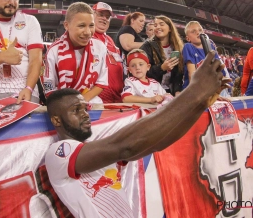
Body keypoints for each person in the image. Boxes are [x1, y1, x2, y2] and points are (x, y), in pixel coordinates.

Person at [45, 51, 231, 218]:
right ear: (56, 120)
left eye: (84, 108)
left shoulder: (94, 148)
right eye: (75, 110)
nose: (84, 114)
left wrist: (199, 105)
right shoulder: (59, 152)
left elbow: (158, 143)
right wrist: (194, 92)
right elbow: (124, 147)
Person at [43, 2, 108, 103]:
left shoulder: (100, 47)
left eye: (91, 25)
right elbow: (49, 86)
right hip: (62, 103)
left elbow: (101, 83)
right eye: (81, 26)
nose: (87, 32)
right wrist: (67, 104)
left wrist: (81, 101)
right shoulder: (53, 51)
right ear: (66, 25)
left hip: (89, 101)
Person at [140, 15, 184, 96]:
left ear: (170, 28)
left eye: (161, 24)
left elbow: (178, 74)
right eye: (155, 25)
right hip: (152, 92)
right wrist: (162, 68)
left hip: (170, 92)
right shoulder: (147, 46)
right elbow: (141, 71)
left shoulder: (177, 47)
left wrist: (177, 91)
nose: (157, 27)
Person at [92, 2, 123, 103]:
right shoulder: (87, 37)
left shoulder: (109, 39)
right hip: (97, 97)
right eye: (101, 15)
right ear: (92, 15)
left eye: (107, 17)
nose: (104, 19)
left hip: (117, 96)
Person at [182, 21, 224, 89]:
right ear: (188, 38)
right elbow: (191, 74)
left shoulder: (211, 47)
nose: (198, 33)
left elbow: (217, 69)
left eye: (200, 30)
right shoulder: (188, 47)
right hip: (193, 88)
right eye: (193, 31)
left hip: (209, 87)